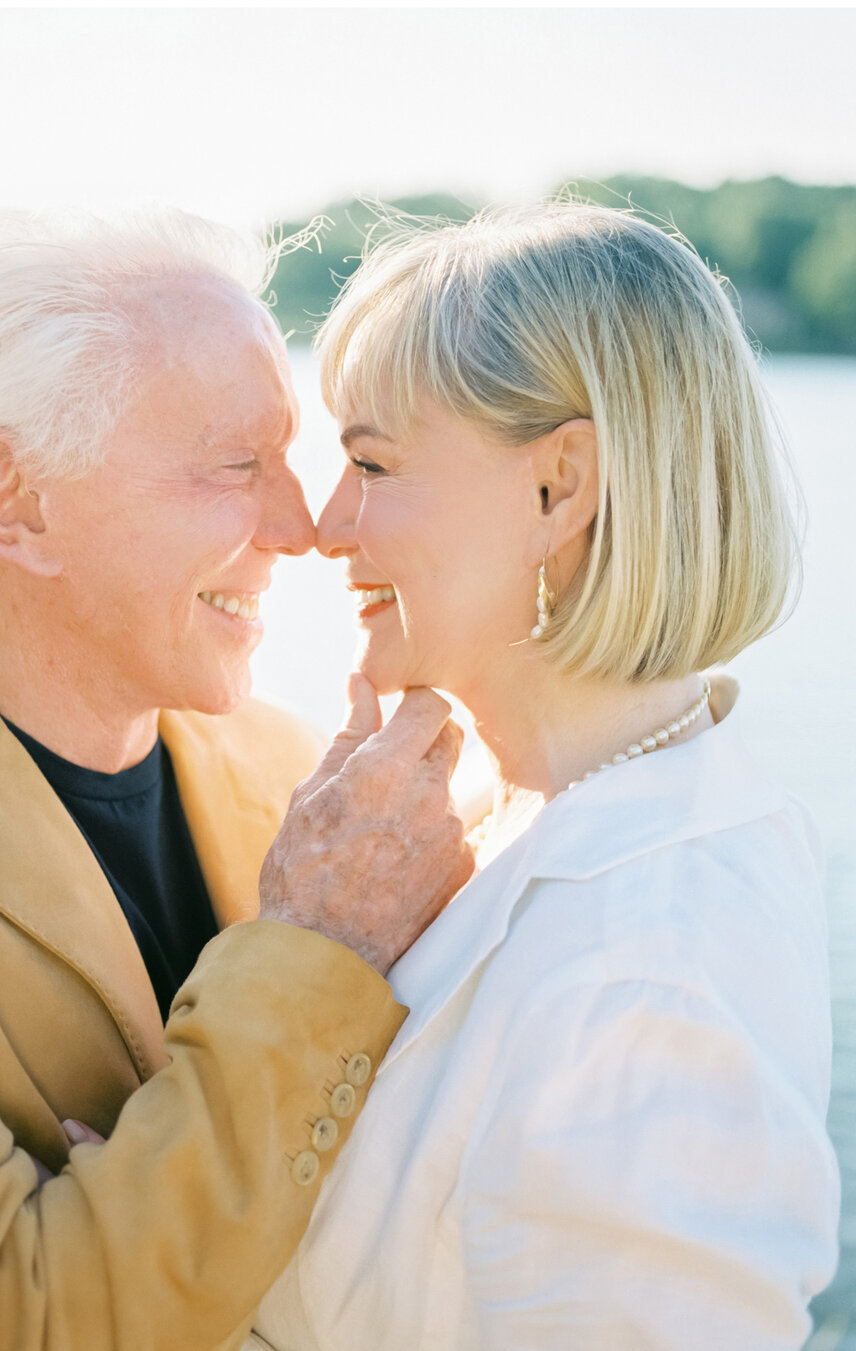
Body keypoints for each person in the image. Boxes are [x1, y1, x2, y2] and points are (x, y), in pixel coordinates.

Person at [0, 208, 474, 1351]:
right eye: (236, 466)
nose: (303, 527)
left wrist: (134, 1192)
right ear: (16, 500)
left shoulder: (300, 777)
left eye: (293, 458)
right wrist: (317, 954)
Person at [248, 204, 841, 1350]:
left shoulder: (646, 967)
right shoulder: (508, 815)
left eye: (370, 462)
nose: (323, 525)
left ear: (557, 491)